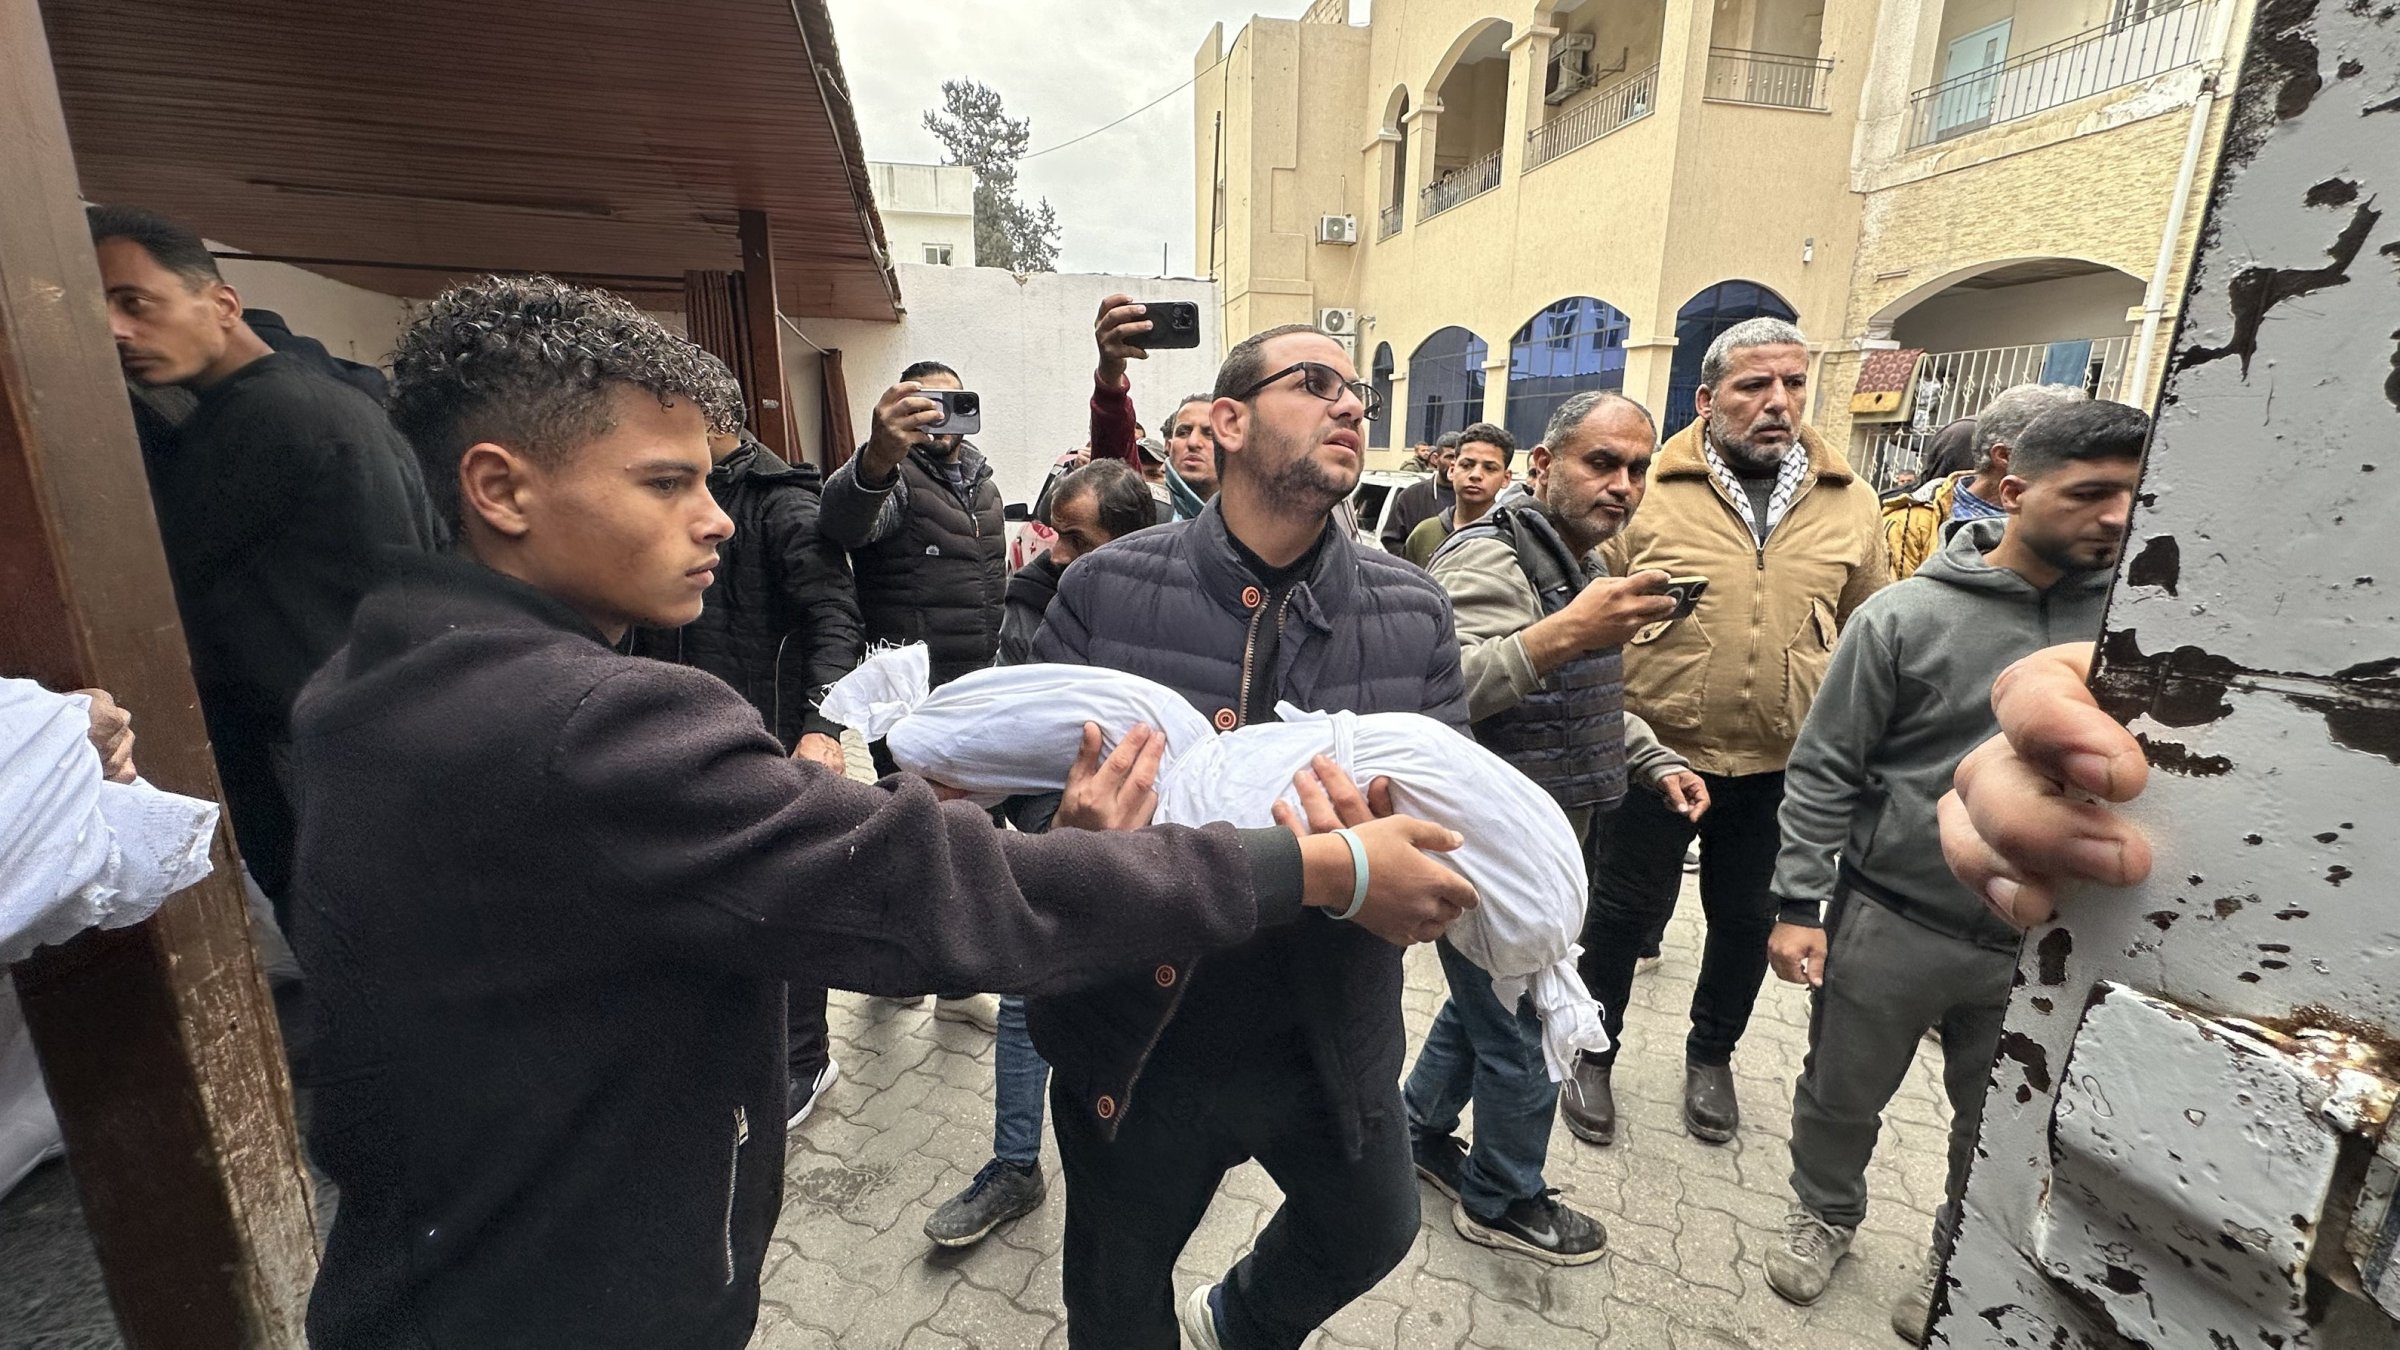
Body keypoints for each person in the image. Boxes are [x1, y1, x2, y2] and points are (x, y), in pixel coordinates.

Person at [293, 276, 1478, 1349]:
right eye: (668, 483)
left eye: (711, 479)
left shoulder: (372, 678)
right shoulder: (591, 723)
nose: (717, 518)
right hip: (561, 1284)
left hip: (474, 1245)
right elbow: (939, 887)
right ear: (499, 488)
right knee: (1117, 1296)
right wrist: (1316, 865)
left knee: (1368, 1228)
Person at [1027, 324, 1469, 1349]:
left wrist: (1403, 875)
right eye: (1314, 383)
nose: (1351, 405)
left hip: (1325, 1034)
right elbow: (1019, 803)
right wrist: (1066, 828)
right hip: (1142, 1039)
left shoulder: (1414, 613)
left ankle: (1236, 1322)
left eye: (1358, 390)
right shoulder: (1104, 588)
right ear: (1228, 421)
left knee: (1374, 1229)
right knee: (1115, 1296)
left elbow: (1444, 822)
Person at [1760, 401, 2148, 1341]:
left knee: (2001, 1119)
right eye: (2091, 492)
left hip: (2050, 942)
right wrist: (1799, 904)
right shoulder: (1903, 618)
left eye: (2135, 497)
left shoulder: (2141, 638)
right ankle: (1824, 1214)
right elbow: (1826, 767)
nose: (2116, 516)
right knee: (1840, 1091)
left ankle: (1955, 1246)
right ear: (2013, 489)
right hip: (1893, 917)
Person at [1405, 391, 1707, 1264]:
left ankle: (1416, 1131)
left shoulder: (1575, 561)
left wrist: (1657, 760)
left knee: (1483, 1008)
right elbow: (1443, 690)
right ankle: (1502, 1199)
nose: (1623, 485)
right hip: (1495, 851)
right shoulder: (1492, 560)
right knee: (1532, 1033)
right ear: (1542, 467)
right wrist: (1562, 635)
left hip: (1545, 840)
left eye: (1638, 468)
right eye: (1601, 463)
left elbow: (1587, 704)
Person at [1575, 317, 1890, 1148]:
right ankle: (1590, 1052)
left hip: (1782, 764)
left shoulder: (1850, 499)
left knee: (1746, 921)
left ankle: (1711, 1057)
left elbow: (1865, 630)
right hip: (1653, 754)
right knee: (1617, 914)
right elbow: (1585, 620)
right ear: (1709, 400)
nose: (1777, 403)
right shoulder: (1649, 488)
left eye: (1792, 384)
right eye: (1754, 386)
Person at [87, 205, 441, 925]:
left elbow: (169, 595)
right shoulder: (337, 405)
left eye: (135, 302)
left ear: (221, 304)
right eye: (99, 308)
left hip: (313, 761)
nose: (117, 330)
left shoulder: (260, 421)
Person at [925, 458, 1160, 1249]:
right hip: (1054, 843)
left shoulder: (1184, 613)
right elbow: (1009, 744)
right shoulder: (1031, 606)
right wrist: (1054, 824)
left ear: (1130, 541)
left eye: (1075, 537)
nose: (1055, 552)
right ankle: (1016, 1165)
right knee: (1029, 996)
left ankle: (1145, 1174)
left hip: (1167, 856)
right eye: (1053, 532)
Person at [626, 393, 864, 1130]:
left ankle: (805, 1058)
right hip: (683, 728)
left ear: (714, 418)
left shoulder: (783, 504)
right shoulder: (671, 500)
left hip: (772, 733)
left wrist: (823, 727)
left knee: (792, 897)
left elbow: (836, 621)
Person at [819, 355, 1010, 1031]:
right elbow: (844, 524)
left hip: (975, 688)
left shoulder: (981, 480)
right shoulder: (893, 474)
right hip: (909, 698)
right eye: (926, 402)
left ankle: (954, 986)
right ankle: (896, 973)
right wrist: (876, 455)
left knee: (970, 835)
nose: (941, 416)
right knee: (910, 838)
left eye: (954, 402)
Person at [1881, 385, 2086, 578]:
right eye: (2059, 453)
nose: (2074, 466)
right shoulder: (1913, 521)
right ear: (2004, 456)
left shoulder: (2081, 521)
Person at [1089, 294, 1219, 520]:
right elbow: (1114, 456)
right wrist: (1110, 375)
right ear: (1168, 446)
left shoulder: (1251, 521)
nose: (1193, 443)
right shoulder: (1145, 510)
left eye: (1209, 433)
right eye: (1183, 431)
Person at [1403, 422, 1514, 566]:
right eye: (1467, 465)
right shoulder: (1424, 534)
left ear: (1506, 478)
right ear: (1452, 470)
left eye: (1489, 468)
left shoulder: (1515, 538)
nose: (1476, 475)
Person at [1380, 431, 1459, 554]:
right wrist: (1415, 563)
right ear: (1436, 459)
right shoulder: (1410, 497)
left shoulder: (1474, 498)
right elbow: (1391, 540)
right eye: (1449, 457)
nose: (1454, 463)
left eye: (1459, 458)